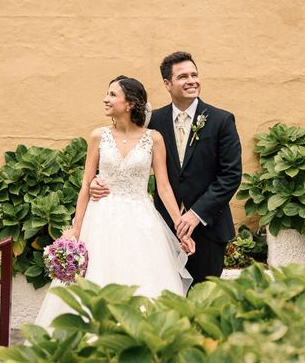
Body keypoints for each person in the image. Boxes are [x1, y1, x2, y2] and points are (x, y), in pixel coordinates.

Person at [34, 76, 194, 329]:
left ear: (129, 103)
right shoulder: (98, 136)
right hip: (101, 219)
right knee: (97, 278)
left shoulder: (154, 139)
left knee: (143, 278)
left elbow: (163, 186)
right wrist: (76, 228)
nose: (105, 99)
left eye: (112, 94)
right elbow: (87, 184)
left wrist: (180, 226)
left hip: (141, 221)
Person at [91, 52, 242, 284]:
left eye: (194, 74)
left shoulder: (221, 120)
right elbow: (125, 151)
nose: (191, 80)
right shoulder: (153, 121)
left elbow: (231, 175)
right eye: (183, 76)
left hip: (208, 228)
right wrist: (96, 181)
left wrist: (195, 214)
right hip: (159, 229)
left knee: (205, 299)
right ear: (167, 84)